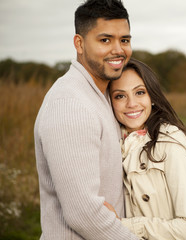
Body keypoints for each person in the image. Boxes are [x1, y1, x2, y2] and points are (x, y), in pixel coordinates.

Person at [34, 0, 139, 239]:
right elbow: (84, 214)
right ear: (79, 44)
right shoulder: (71, 105)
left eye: (124, 40)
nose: (118, 49)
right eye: (105, 40)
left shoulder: (99, 95)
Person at [106, 58, 186, 239]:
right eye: (120, 96)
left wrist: (123, 226)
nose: (131, 103)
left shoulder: (172, 143)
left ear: (152, 96)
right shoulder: (111, 142)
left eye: (139, 92)